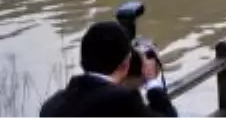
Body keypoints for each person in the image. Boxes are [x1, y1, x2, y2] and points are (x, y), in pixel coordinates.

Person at [41, 20, 177, 118]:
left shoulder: (51, 106)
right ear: (125, 64)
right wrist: (152, 82)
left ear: (83, 61)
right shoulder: (123, 101)